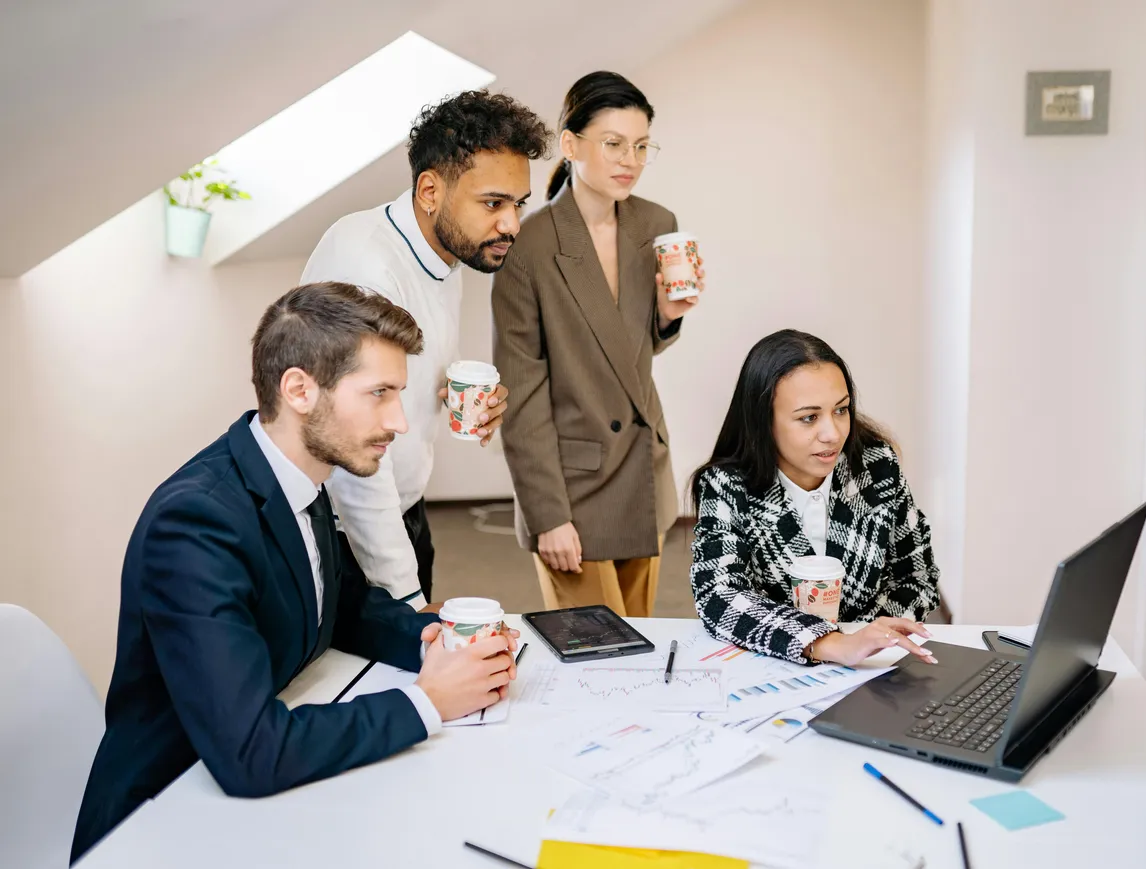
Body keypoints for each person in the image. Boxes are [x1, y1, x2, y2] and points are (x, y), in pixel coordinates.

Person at [71, 283, 519, 861]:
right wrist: (428, 702)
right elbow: (251, 752)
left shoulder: (298, 475)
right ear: (299, 389)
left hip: (254, 801)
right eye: (379, 394)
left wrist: (444, 647)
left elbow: (344, 608)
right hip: (165, 819)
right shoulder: (195, 523)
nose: (399, 422)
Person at [301, 90, 551, 602]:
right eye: (493, 203)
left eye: (518, 204)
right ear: (430, 190)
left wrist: (460, 392)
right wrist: (406, 599)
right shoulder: (366, 266)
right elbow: (352, 459)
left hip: (405, 507)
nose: (512, 224)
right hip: (346, 528)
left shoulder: (446, 250)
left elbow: (404, 365)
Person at [492, 71, 703, 617]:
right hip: (572, 487)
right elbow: (522, 390)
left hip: (641, 469)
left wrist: (667, 314)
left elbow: (625, 357)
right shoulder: (528, 244)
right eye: (612, 144)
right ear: (571, 144)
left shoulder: (656, 224)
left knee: (639, 648)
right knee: (595, 657)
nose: (628, 159)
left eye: (640, 146)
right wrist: (547, 514)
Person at [689, 330, 941, 665]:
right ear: (763, 422)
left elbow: (917, 578)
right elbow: (718, 595)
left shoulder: (876, 467)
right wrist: (828, 644)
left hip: (873, 669)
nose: (832, 433)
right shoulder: (727, 484)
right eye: (809, 418)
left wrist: (869, 637)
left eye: (841, 410)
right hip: (770, 667)